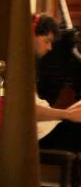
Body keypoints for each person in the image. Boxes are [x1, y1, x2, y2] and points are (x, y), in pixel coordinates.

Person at [33, 13, 81, 147]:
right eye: (46, 41)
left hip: (51, 126)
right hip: (44, 134)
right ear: (32, 36)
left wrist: (71, 112)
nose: (50, 48)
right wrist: (68, 114)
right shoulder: (18, 70)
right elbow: (29, 111)